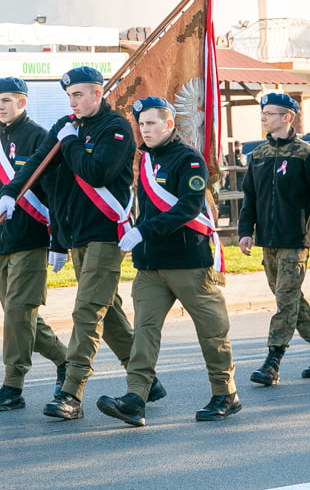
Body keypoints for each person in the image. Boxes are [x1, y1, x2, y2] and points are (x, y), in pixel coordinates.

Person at [0, 67, 165, 421]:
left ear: (98, 94)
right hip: (75, 235)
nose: (72, 102)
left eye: (78, 95)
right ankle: (147, 381)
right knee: (111, 313)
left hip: (105, 234)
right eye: (69, 96)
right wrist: (12, 192)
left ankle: (71, 393)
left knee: (87, 311)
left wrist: (71, 140)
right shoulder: (65, 125)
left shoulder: (115, 129)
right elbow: (37, 166)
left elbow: (95, 173)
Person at [97, 97, 240, 426]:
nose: (145, 130)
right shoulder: (145, 160)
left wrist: (142, 231)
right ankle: (135, 398)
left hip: (189, 261)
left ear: (169, 124)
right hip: (151, 266)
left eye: (151, 123)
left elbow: (188, 208)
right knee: (144, 333)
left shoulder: (188, 160)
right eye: (141, 124)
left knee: (211, 331)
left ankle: (225, 394)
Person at [239, 93, 310, 387]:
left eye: (270, 113)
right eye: (262, 112)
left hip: (295, 242)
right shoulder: (259, 155)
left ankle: (272, 361)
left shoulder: (305, 154)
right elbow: (249, 197)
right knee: (290, 299)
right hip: (268, 242)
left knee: (285, 303)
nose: (263, 117)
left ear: (287, 117)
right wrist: (244, 232)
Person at [0, 77, 69, 412]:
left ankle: (12, 387)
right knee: (20, 316)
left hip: (31, 238)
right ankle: (66, 360)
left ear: (22, 102)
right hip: (1, 241)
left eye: (7, 101)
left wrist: (59, 239)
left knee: (18, 311)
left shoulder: (39, 138)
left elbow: (55, 192)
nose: (1, 107)